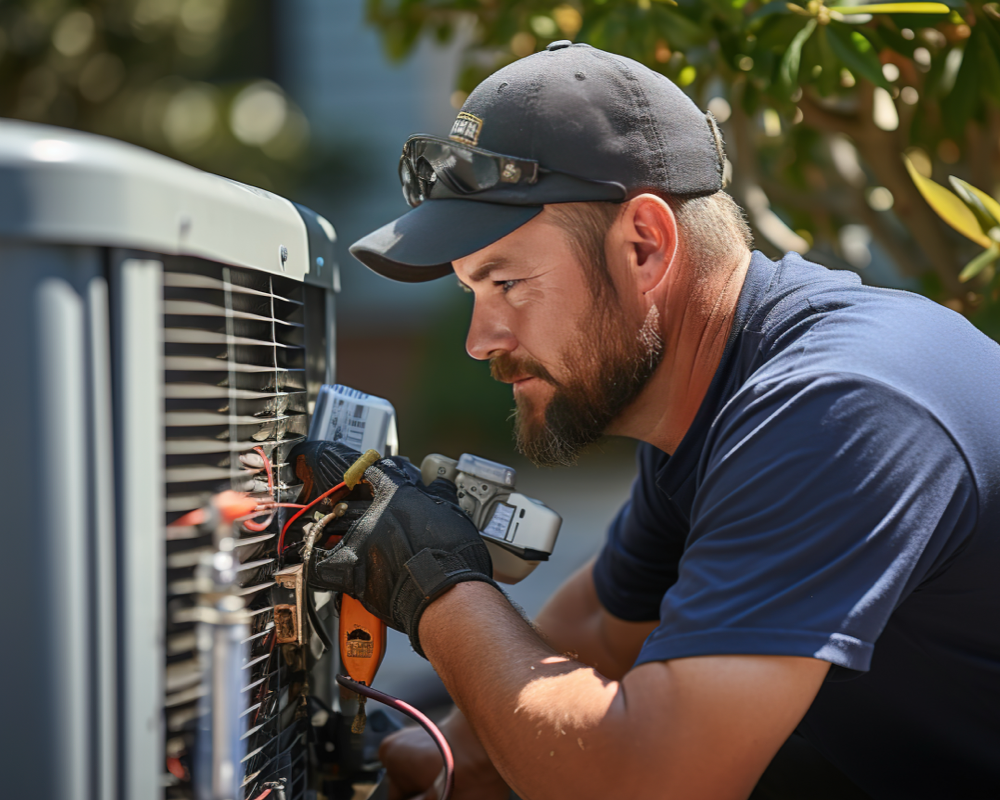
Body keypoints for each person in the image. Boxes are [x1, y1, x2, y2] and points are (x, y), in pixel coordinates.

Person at [305, 42, 1000, 799]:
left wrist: (435, 585)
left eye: (508, 281)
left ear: (645, 245)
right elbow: (600, 638)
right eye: (475, 292)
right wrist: (425, 762)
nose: (481, 341)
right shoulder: (712, 405)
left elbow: (652, 783)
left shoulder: (838, 407)